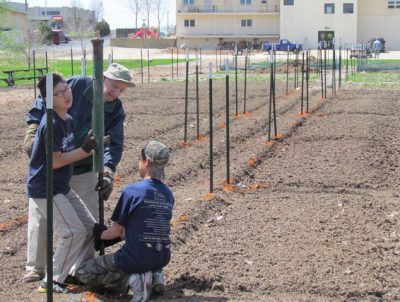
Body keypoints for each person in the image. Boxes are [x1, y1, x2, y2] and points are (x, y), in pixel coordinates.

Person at [23, 63, 133, 283]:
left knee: (89, 218)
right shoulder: (73, 86)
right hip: (55, 166)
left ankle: (79, 268)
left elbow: (115, 143)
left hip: (84, 167)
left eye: (121, 90)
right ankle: (36, 267)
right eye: (113, 86)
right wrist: (33, 128)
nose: (115, 93)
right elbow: (45, 98)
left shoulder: (115, 109)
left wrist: (108, 170)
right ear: (102, 78)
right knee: (41, 215)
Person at [75, 140, 174, 302]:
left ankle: (132, 281)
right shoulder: (168, 194)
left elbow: (115, 232)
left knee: (83, 273)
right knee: (151, 241)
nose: (138, 163)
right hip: (162, 257)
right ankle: (155, 276)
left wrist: (98, 233)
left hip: (133, 258)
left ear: (147, 162)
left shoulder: (132, 191)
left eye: (140, 160)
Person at [26, 74, 99, 293]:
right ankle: (52, 278)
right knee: (72, 231)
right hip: (45, 188)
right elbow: (56, 161)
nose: (67, 95)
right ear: (48, 100)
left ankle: (67, 273)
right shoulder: (52, 124)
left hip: (61, 187)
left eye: (67, 89)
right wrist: (85, 150)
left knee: (89, 229)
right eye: (59, 93)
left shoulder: (67, 119)